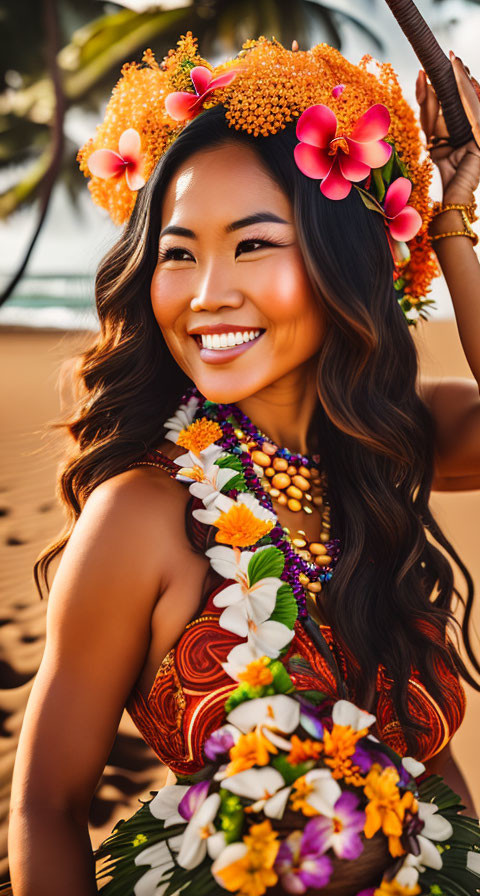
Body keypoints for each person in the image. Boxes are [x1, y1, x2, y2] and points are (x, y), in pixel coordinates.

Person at [6, 33, 480, 896]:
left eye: (253, 244)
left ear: (347, 262)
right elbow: (46, 803)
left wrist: (448, 220)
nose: (206, 291)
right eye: (179, 252)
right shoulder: (142, 514)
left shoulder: (381, 441)